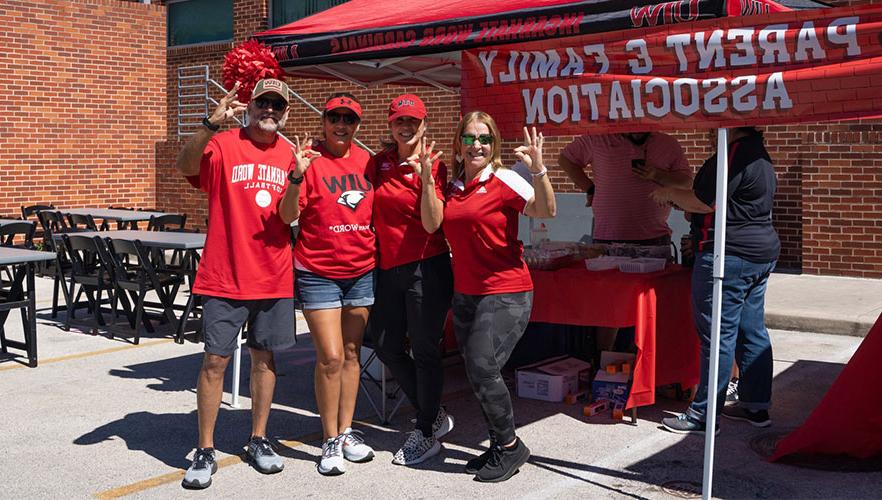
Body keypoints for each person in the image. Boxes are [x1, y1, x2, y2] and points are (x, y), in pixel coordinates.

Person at [175, 78, 298, 489]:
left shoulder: (290, 154)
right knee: (214, 361)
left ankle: (258, 439)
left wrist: (298, 179)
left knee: (265, 360)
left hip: (273, 274)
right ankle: (205, 448)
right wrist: (209, 124)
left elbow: (287, 216)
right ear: (249, 107)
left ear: (285, 113)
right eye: (262, 102)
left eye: (276, 105)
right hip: (225, 274)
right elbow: (185, 166)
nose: (269, 110)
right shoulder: (224, 143)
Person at [423, 112, 556, 482]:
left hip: (506, 292)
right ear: (459, 144)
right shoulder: (453, 187)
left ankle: (511, 447)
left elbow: (547, 211)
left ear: (493, 144)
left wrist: (540, 171)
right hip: (466, 293)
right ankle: (500, 446)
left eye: (484, 139)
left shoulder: (505, 179)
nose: (476, 145)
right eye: (469, 138)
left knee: (483, 367)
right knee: (478, 372)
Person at [651, 126, 780, 434]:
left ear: (732, 125)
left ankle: (703, 414)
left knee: (717, 335)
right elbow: (726, 204)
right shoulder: (760, 155)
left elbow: (705, 202)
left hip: (729, 255)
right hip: (758, 252)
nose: (709, 130)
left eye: (715, 124)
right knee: (751, 329)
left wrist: (669, 194)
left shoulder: (733, 154)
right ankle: (756, 405)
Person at [287, 93, 376, 476]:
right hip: (318, 271)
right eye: (334, 117)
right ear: (324, 120)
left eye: (349, 119)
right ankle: (329, 440)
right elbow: (288, 214)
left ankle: (346, 429)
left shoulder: (369, 162)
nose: (342, 125)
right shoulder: (309, 159)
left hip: (362, 270)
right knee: (331, 357)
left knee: (353, 354)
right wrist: (296, 175)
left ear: (357, 124)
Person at [368, 94, 455, 466]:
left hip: (427, 267)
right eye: (400, 121)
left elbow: (433, 223)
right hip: (388, 268)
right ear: (390, 125)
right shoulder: (379, 163)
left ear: (424, 124)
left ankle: (424, 432)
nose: (406, 127)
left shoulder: (434, 165)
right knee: (386, 346)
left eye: (413, 122)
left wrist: (425, 181)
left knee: (425, 350)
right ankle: (431, 411)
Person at [558, 132, 692, 353]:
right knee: (609, 309)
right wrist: (590, 188)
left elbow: (686, 181)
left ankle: (640, 363)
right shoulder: (598, 137)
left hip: (653, 242)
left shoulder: (667, 142)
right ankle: (604, 363)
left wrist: (657, 174)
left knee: (650, 310)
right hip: (608, 241)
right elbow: (566, 159)